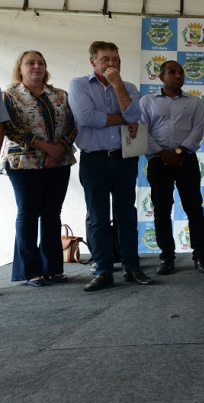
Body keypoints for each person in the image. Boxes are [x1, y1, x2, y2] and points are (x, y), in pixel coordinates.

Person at [68, 41, 152, 291]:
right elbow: (86, 118)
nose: (111, 64)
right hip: (94, 159)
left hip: (124, 159)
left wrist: (117, 84)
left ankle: (132, 267)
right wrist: (122, 118)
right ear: (93, 61)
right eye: (105, 59)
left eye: (115, 59)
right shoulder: (79, 84)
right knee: (99, 218)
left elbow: (135, 116)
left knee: (127, 215)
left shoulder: (128, 87)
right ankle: (104, 271)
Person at [2, 50, 78, 287]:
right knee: (28, 214)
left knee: (52, 214)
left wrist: (58, 151)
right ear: (20, 68)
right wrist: (46, 148)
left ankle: (54, 269)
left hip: (59, 160)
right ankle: (31, 271)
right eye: (30, 63)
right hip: (23, 163)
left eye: (41, 62)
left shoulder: (60, 95)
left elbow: (73, 125)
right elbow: (11, 129)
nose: (37, 66)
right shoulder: (10, 96)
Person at [139, 60, 204, 275]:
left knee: (194, 209)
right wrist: (164, 154)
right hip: (158, 161)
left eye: (181, 72)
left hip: (185, 160)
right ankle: (167, 258)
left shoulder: (195, 102)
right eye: (172, 72)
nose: (178, 76)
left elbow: (197, 131)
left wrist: (178, 152)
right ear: (161, 77)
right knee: (161, 210)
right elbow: (143, 131)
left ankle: (201, 257)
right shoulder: (147, 101)